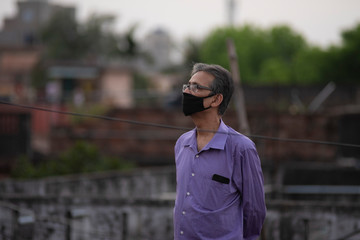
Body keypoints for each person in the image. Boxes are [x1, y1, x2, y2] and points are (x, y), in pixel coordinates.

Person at [174, 63, 266, 240]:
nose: (187, 92)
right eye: (187, 86)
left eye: (196, 87)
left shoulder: (241, 148)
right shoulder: (182, 144)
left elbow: (254, 211)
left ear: (216, 99)